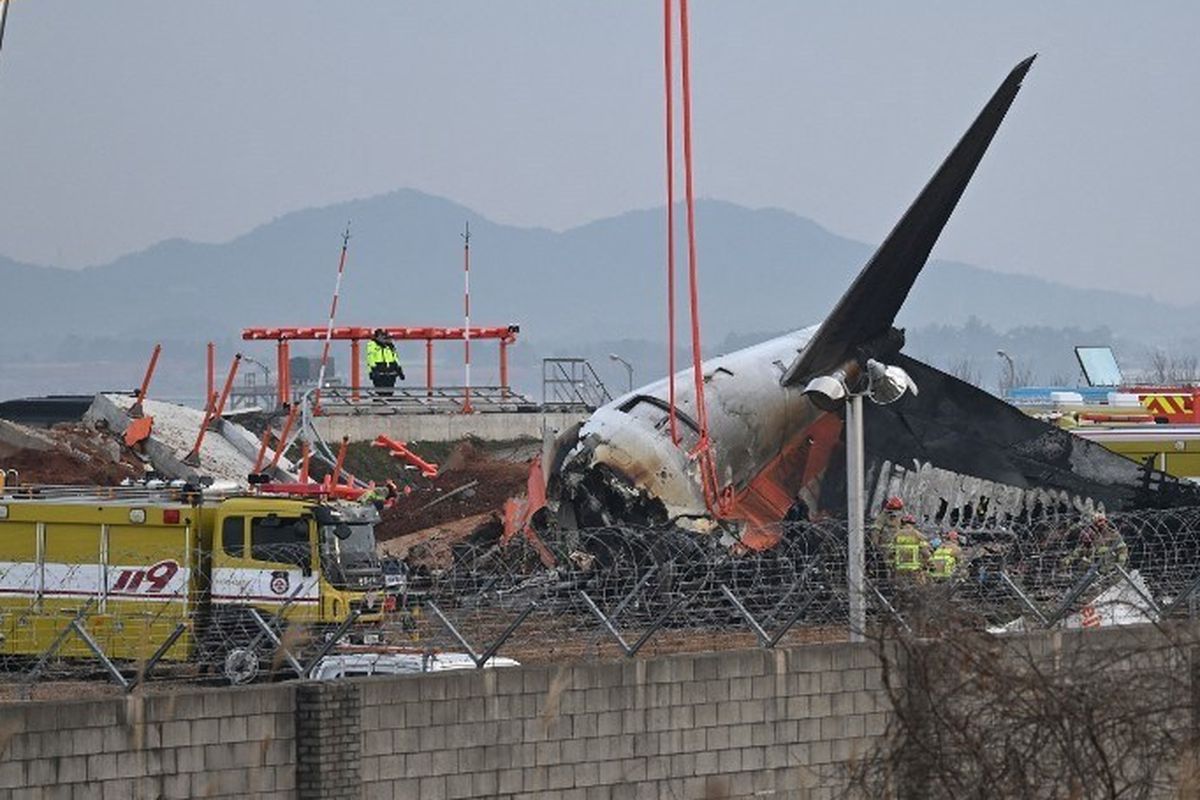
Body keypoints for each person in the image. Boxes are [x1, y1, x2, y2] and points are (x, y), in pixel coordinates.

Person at [365, 329, 404, 397]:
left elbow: (395, 358)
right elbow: (370, 357)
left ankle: (388, 404)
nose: (388, 340)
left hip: (390, 372)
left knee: (389, 392)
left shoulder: (390, 346)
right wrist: (374, 369)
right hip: (379, 372)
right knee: (380, 393)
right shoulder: (372, 345)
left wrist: (399, 369)